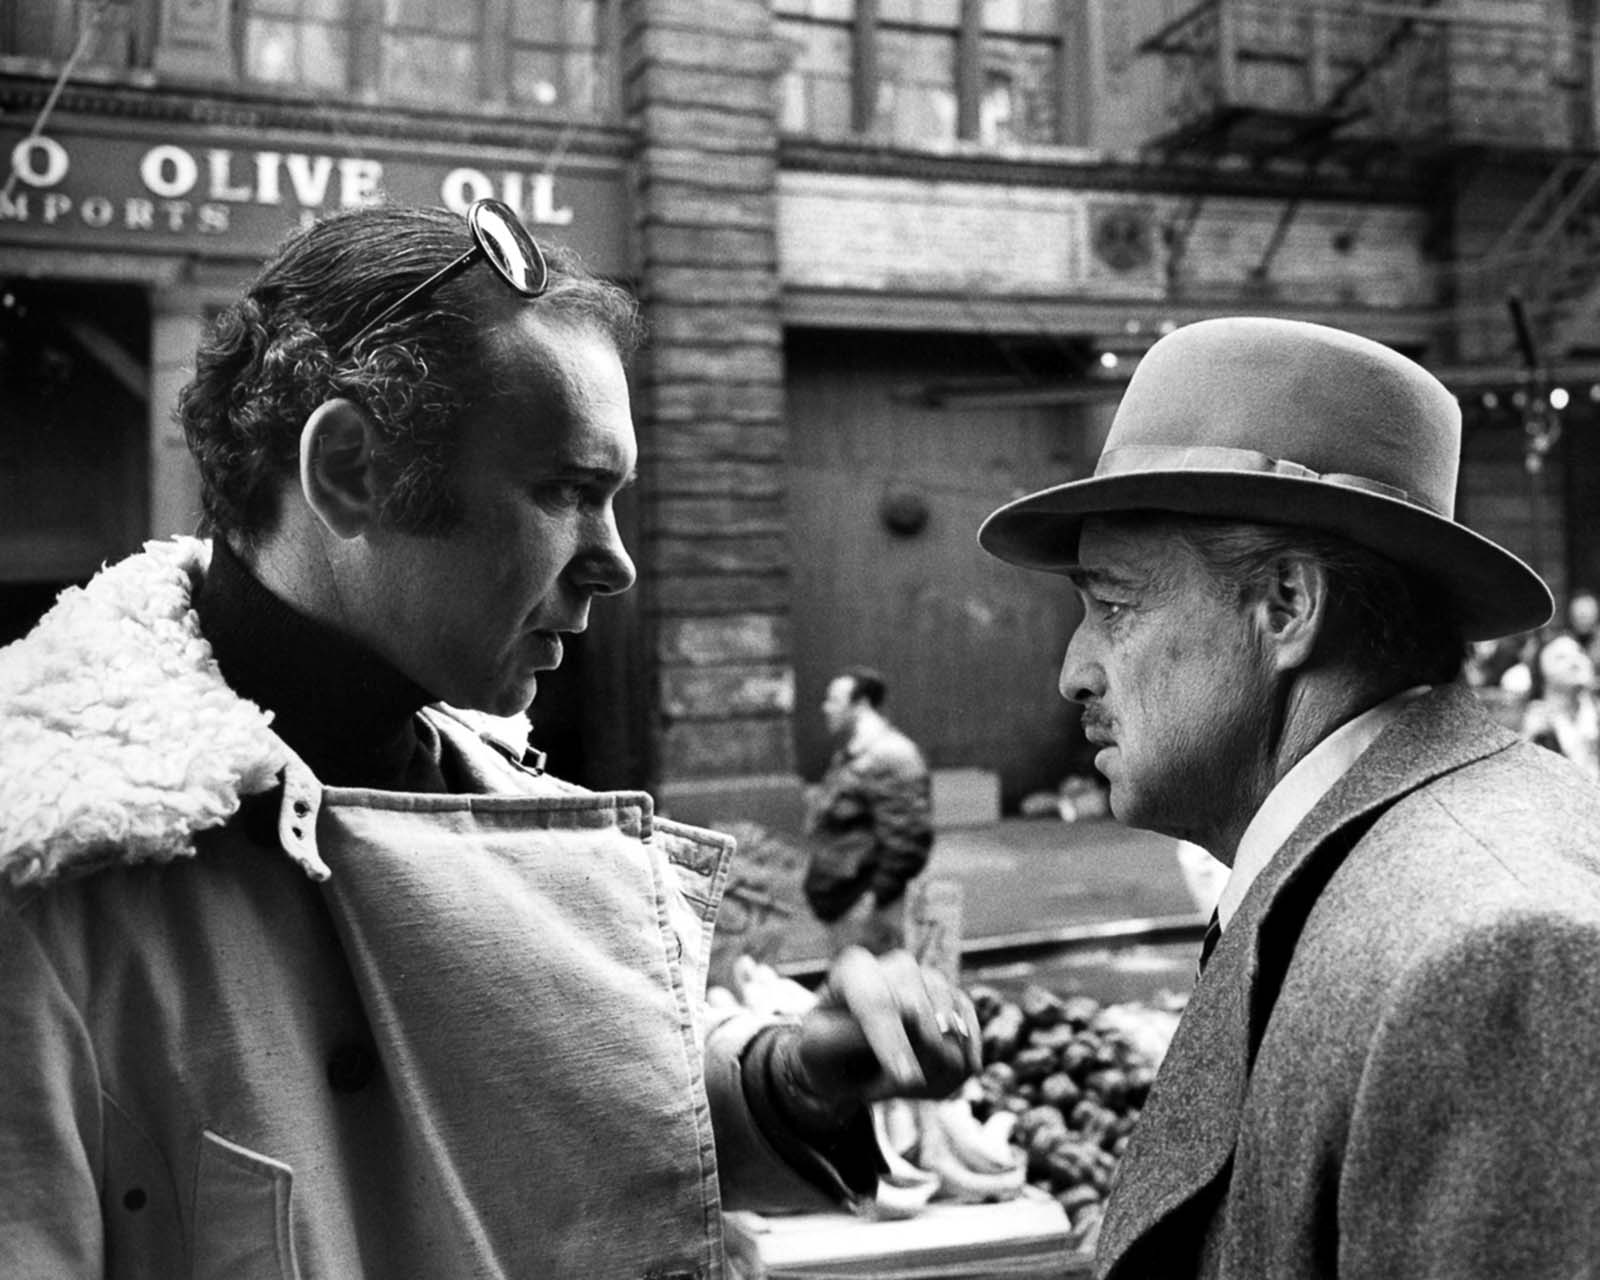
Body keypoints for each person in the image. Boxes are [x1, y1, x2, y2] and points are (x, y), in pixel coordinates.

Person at [0, 201, 980, 1279]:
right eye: (566, 490)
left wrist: (789, 1078)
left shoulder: (466, 776)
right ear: (351, 472)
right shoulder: (41, 888)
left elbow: (517, 1135)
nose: (616, 561)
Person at [978, 316, 1600, 1279]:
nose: (1075, 672)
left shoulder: (1491, 953)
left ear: (1286, 608)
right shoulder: (1401, 867)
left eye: (1114, 605)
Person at [802, 668, 933, 956]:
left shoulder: (892, 755)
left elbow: (908, 842)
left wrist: (873, 901)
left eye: (834, 700)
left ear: (860, 705)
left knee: (870, 992)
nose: (826, 708)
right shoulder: (853, 754)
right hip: (845, 909)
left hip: (865, 913)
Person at [1523, 633, 1600, 780]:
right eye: (1561, 657)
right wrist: (1529, 737)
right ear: (1542, 673)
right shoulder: (1536, 725)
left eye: (1579, 652)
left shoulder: (1595, 710)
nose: (1575, 661)